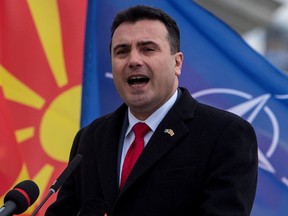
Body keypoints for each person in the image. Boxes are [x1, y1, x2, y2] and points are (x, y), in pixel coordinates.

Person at [45, 5, 258, 216]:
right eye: (122, 51)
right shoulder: (90, 138)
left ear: (177, 63)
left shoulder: (226, 134)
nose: (134, 60)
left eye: (147, 49)